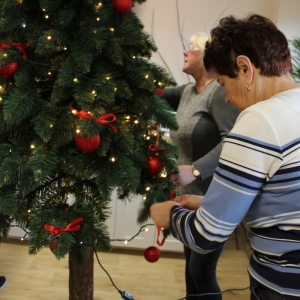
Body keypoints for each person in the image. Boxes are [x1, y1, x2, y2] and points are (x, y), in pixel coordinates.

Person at [150, 14, 300, 300]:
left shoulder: (259, 120)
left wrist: (168, 214)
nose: (227, 98)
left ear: (245, 69)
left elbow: (206, 236)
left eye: (222, 82)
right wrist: (211, 203)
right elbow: (285, 201)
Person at [160, 32, 240, 300]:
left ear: (205, 56)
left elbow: (234, 141)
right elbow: (151, 94)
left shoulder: (218, 93)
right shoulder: (185, 93)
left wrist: (194, 169)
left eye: (191, 49)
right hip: (187, 199)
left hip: (212, 197)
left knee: (201, 271)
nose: (185, 52)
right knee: (190, 266)